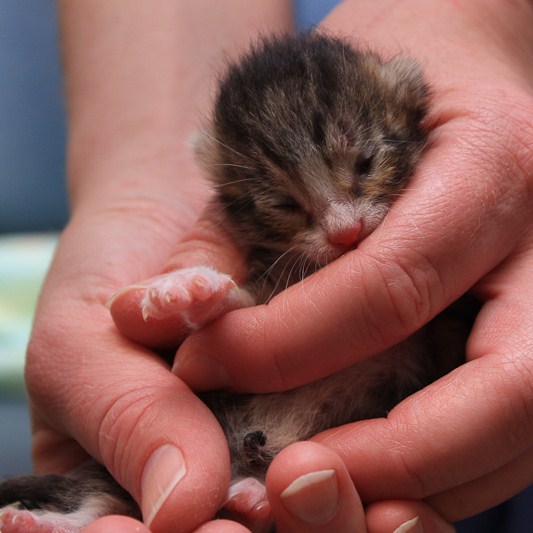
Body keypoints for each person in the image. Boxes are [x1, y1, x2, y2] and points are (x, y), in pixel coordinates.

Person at [25, 1, 533, 531]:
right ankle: (78, 510)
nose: (343, 226)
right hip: (256, 439)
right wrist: (189, 266)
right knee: (185, 446)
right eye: (287, 206)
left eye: (365, 165)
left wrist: (490, 18)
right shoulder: (272, 260)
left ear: (410, 107)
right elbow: (251, 303)